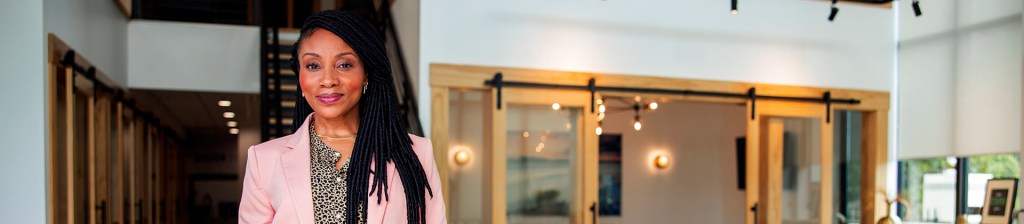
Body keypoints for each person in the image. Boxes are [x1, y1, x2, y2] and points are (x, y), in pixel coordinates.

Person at [238, 10, 445, 224]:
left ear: (365, 73)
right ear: (300, 76)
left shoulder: (417, 153)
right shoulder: (263, 161)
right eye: (313, 66)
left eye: (344, 64)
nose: (328, 80)